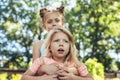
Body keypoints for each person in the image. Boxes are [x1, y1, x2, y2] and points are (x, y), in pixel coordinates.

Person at [21, 27, 94, 80]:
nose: (61, 44)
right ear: (49, 47)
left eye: (65, 41)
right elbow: (24, 78)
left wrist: (73, 78)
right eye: (56, 41)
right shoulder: (41, 61)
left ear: (69, 47)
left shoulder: (76, 64)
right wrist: (43, 78)